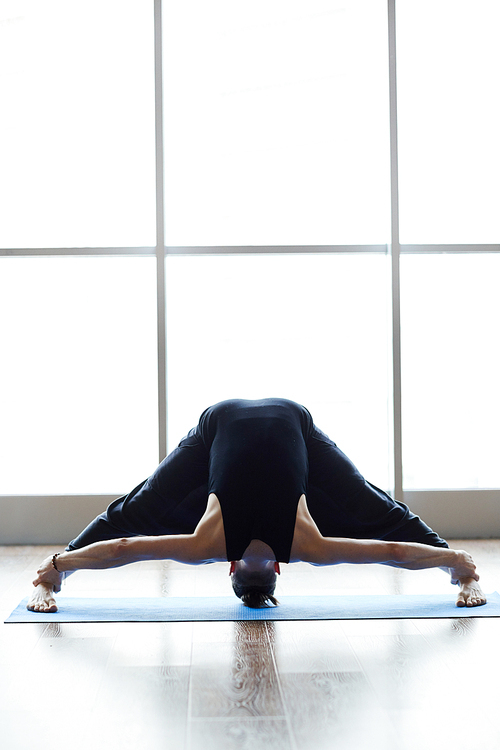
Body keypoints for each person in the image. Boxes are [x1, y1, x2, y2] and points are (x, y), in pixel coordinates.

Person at [27, 398, 487, 612]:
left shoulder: (308, 547)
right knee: (140, 506)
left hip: (288, 418)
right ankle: (58, 574)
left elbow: (394, 552)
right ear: (230, 569)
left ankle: (456, 568)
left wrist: (458, 565)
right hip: (226, 418)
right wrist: (55, 567)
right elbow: (127, 544)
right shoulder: (208, 544)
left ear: (279, 570)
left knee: (373, 510)